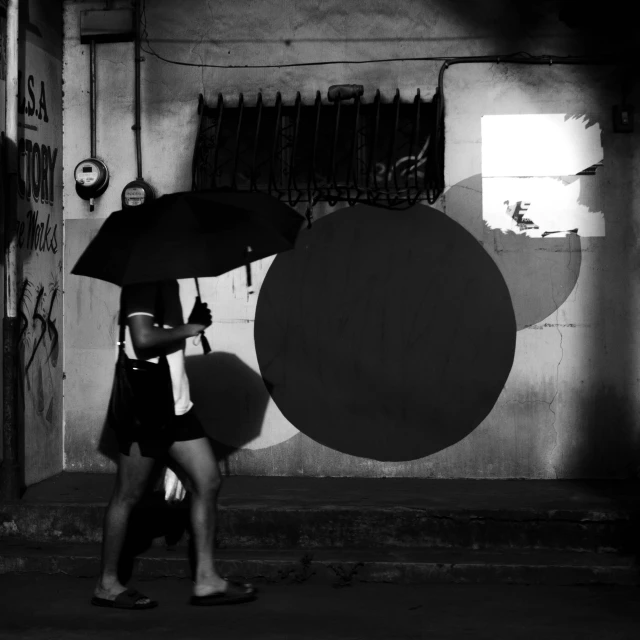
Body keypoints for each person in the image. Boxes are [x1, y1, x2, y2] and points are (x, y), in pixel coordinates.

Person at [92, 279, 256, 609]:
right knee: (127, 494)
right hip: (147, 406)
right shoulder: (143, 281)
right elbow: (143, 337)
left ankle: (208, 580)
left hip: (177, 405)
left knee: (207, 481)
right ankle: (107, 584)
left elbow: (163, 335)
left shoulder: (166, 282)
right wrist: (189, 328)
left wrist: (189, 324)